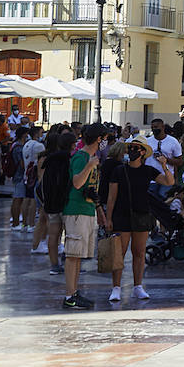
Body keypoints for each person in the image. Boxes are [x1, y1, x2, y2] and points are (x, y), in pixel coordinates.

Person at [101, 135, 172, 303]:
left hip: (142, 214)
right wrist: (108, 218)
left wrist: (164, 164)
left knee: (139, 252)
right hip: (121, 215)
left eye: (136, 148)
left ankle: (138, 286)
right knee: (119, 253)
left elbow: (169, 181)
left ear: (142, 152)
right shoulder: (119, 170)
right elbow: (111, 197)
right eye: (130, 147)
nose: (132, 151)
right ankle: (116, 287)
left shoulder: (148, 171)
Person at [60, 125, 105, 310]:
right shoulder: (81, 157)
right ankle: (69, 296)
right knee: (72, 255)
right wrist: (89, 165)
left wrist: (99, 210)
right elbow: (77, 183)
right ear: (99, 139)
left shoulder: (91, 158)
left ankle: (74, 292)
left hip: (86, 210)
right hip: (76, 211)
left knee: (78, 255)